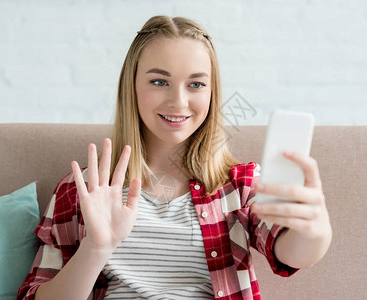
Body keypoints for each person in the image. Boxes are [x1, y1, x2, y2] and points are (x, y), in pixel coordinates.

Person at [17, 15, 332, 300]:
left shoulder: (239, 186)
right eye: (159, 82)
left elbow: (291, 253)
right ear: (132, 87)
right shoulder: (82, 189)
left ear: (211, 93)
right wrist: (95, 248)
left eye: (195, 84)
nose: (178, 101)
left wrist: (314, 227)